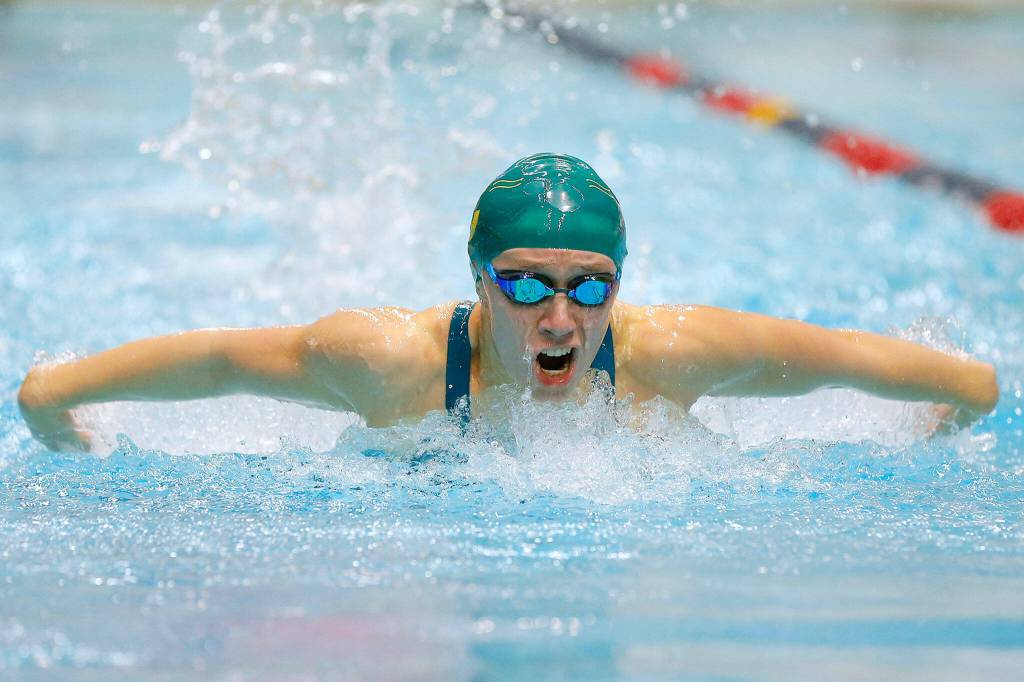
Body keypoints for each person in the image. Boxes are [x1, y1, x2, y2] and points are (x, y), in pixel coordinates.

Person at [18, 153, 998, 451]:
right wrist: (56, 401)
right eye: (525, 283)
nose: (559, 318)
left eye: (589, 286)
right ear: (479, 278)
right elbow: (227, 359)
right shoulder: (389, 362)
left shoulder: (671, 352)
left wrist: (931, 437)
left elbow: (952, 379)